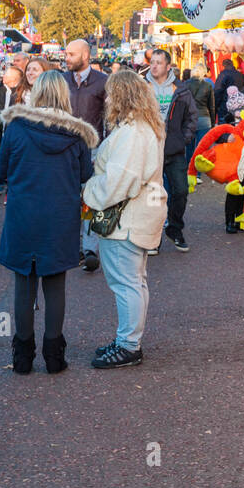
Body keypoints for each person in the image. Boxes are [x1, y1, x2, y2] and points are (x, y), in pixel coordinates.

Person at [0, 71, 96, 374]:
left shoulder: (15, 127)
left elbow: (1, 170)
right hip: (60, 214)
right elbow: (84, 175)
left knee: (24, 283)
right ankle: (54, 355)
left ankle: (22, 355)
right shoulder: (76, 134)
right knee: (55, 284)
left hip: (23, 212)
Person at [82, 70, 167, 368]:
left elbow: (119, 183)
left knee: (126, 283)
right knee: (135, 281)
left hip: (127, 218)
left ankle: (129, 345)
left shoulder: (131, 132)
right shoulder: (146, 127)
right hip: (141, 213)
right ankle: (128, 340)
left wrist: (90, 190)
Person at [144, 48, 197, 254]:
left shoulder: (180, 89)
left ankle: (175, 229)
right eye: (153, 62)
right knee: (152, 195)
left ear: (168, 66)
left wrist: (182, 140)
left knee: (181, 190)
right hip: (149, 150)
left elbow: (192, 117)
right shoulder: (143, 87)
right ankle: (152, 237)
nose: (154, 66)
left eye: (159, 62)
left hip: (174, 150)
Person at [64, 39, 108, 271]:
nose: (67, 57)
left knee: (90, 198)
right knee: (68, 197)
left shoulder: (102, 82)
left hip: (93, 148)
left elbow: (110, 117)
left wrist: (107, 147)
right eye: (66, 54)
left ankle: (90, 248)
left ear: (85, 56)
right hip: (64, 147)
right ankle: (72, 246)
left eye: (71, 54)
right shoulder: (62, 80)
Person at [220, 86, 244, 233]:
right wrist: (227, 137)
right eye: (240, 108)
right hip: (233, 159)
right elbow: (218, 133)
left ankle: (239, 217)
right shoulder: (227, 119)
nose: (243, 110)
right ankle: (230, 220)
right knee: (234, 189)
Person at [183, 62, 216, 177]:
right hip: (204, 119)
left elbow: (182, 104)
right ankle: (198, 174)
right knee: (201, 147)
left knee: (189, 147)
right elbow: (212, 106)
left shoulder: (185, 84)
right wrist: (212, 122)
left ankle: (189, 171)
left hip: (189, 119)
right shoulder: (208, 86)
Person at [213, 58, 244, 124]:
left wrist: (216, 106)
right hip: (239, 106)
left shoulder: (223, 75)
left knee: (224, 129)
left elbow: (217, 91)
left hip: (225, 107)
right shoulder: (240, 75)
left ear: (223, 66)